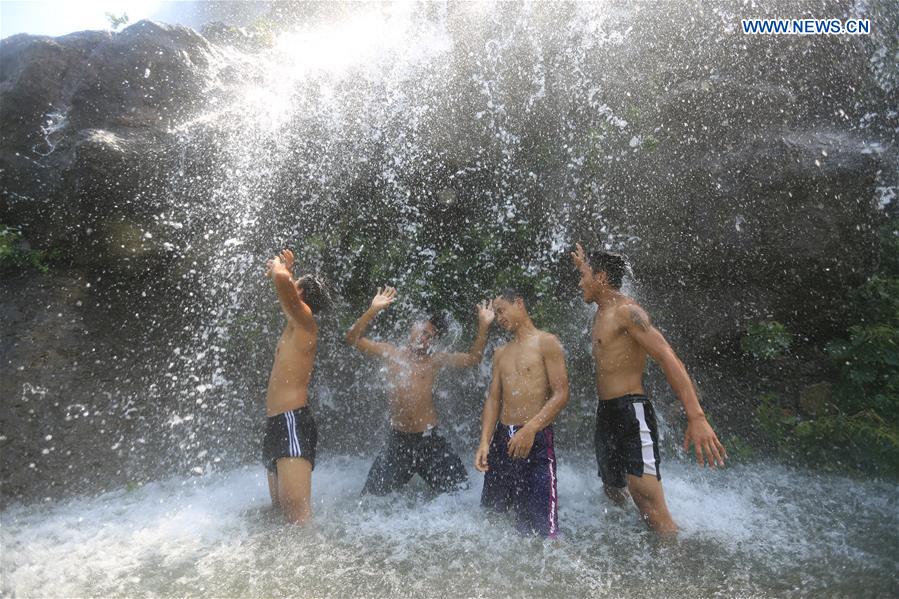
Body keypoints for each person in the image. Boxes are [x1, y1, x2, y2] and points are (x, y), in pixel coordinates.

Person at [570, 243, 726, 534]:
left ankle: (675, 563)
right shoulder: (602, 308)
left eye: (584, 275)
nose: (580, 282)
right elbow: (591, 277)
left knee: (650, 507)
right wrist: (583, 263)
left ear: (601, 278)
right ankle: (639, 544)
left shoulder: (627, 312)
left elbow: (668, 356)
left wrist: (696, 417)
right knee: (614, 488)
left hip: (631, 412)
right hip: (607, 413)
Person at [346, 286, 495, 496]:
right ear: (412, 328)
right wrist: (373, 310)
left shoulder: (435, 361)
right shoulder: (391, 353)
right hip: (398, 441)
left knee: (462, 496)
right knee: (370, 499)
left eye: (431, 337)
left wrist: (483, 325)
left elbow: (473, 359)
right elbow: (352, 339)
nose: (426, 339)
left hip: (430, 441)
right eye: (424, 332)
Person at [474, 288, 569, 538]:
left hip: (534, 439)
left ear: (519, 303)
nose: (499, 317)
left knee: (544, 531)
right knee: (495, 519)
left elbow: (561, 393)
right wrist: (484, 441)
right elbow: (493, 399)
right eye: (496, 313)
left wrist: (531, 428)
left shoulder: (546, 342)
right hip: (502, 440)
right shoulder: (500, 353)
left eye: (502, 310)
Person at [262, 248, 332, 524]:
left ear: (300, 296)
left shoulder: (305, 321)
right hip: (276, 423)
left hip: (292, 421)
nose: (290, 288)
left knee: (297, 518)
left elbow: (280, 278)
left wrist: (283, 269)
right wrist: (287, 275)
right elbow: (282, 283)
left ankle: (315, 565)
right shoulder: (294, 325)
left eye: (295, 286)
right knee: (280, 513)